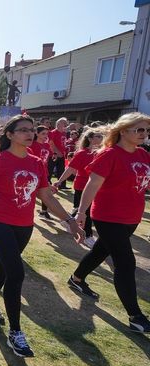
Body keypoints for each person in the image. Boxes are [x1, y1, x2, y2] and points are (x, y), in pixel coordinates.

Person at [0, 114, 84, 357]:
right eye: (23, 130)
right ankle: (16, 332)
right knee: (17, 272)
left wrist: (69, 220)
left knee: (3, 265)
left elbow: (46, 195)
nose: (29, 133)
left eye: (31, 130)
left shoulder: (36, 163)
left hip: (24, 225)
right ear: (10, 135)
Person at [68, 112, 150, 334]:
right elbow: (92, 186)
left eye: (146, 130)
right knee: (125, 263)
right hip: (108, 217)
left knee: (100, 251)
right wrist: (81, 212)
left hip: (132, 217)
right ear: (123, 131)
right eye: (139, 130)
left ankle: (76, 278)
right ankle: (136, 316)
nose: (144, 134)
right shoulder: (109, 155)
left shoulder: (143, 154)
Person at [53, 128, 103, 248]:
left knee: (83, 209)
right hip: (82, 186)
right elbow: (70, 169)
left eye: (102, 136)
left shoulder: (103, 153)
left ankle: (67, 221)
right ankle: (88, 236)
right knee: (87, 211)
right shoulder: (82, 153)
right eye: (98, 136)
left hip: (97, 187)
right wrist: (59, 181)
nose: (101, 138)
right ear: (90, 138)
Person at [28, 125, 55, 219]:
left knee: (47, 192)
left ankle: (44, 212)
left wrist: (54, 155)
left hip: (44, 172)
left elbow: (49, 156)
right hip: (33, 172)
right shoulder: (32, 145)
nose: (45, 136)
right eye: (43, 133)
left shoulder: (47, 145)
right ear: (37, 133)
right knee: (31, 193)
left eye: (47, 134)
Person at [48, 118, 68, 189]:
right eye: (64, 123)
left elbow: (63, 143)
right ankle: (47, 184)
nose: (66, 125)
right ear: (58, 124)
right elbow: (51, 143)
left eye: (66, 123)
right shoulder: (53, 132)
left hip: (62, 154)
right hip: (54, 154)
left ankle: (62, 185)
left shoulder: (64, 133)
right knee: (50, 170)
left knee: (62, 170)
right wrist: (57, 152)